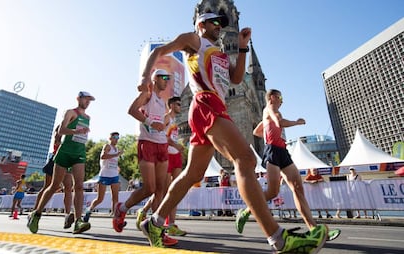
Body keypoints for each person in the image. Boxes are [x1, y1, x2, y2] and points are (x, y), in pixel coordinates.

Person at [136, 12, 327, 252]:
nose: (219, 27)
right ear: (201, 23)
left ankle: (153, 223)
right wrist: (145, 77)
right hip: (205, 102)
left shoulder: (221, 54)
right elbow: (159, 51)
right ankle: (279, 239)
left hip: (216, 105)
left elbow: (237, 79)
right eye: (214, 22)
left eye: (222, 24)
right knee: (245, 159)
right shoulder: (193, 40)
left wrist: (242, 47)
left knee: (192, 174)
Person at [235, 89, 338, 242]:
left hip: (282, 151)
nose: (282, 101)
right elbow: (279, 122)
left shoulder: (268, 113)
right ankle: (246, 211)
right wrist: (296, 122)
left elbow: (257, 131)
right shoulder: (269, 109)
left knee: (298, 187)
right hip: (272, 152)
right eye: (280, 97)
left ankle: (314, 229)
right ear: (272, 97)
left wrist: (268, 128)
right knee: (272, 192)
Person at [113, 69, 177, 246]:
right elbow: (132, 110)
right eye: (164, 78)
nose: (167, 81)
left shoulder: (163, 102)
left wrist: (166, 130)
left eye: (169, 78)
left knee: (160, 190)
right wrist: (150, 123)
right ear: (155, 79)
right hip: (147, 143)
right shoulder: (147, 94)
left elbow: (160, 124)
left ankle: (157, 231)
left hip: (161, 144)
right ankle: (122, 208)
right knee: (149, 188)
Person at [27, 91, 95, 234]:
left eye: (90, 100)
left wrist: (82, 133)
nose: (87, 102)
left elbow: (82, 133)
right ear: (78, 99)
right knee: (54, 186)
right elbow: (62, 130)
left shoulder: (88, 117)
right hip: (65, 152)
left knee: (79, 186)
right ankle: (36, 214)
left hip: (79, 152)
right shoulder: (71, 112)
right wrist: (77, 132)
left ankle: (78, 221)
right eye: (85, 99)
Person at [136, 96, 187, 237]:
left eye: (180, 104)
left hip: (176, 156)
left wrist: (178, 149)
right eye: (177, 104)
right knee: (163, 192)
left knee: (176, 190)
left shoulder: (175, 122)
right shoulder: (165, 118)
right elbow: (161, 135)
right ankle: (147, 213)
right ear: (170, 105)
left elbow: (173, 138)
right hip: (166, 156)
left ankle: (171, 224)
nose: (180, 106)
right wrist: (174, 145)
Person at [34, 125, 75, 229]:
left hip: (67, 162)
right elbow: (58, 143)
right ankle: (35, 212)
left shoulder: (72, 133)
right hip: (56, 160)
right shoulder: (60, 133)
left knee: (68, 188)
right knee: (48, 186)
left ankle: (67, 215)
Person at [83, 132, 123, 222]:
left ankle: (115, 219)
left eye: (118, 137)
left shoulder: (117, 149)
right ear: (110, 138)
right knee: (100, 199)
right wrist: (116, 155)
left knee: (115, 198)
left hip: (114, 175)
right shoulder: (107, 146)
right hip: (104, 175)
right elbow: (103, 156)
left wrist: (117, 167)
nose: (116, 139)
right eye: (115, 137)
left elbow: (113, 161)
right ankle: (88, 210)